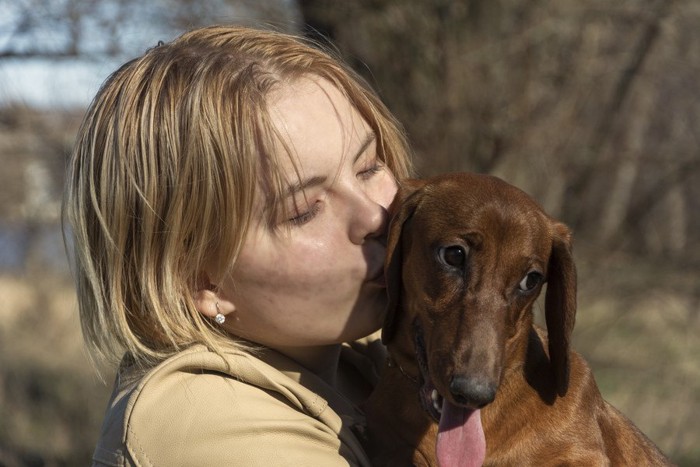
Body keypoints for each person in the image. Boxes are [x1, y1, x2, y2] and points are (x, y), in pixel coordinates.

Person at [62, 25, 413, 466]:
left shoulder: (365, 363)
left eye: (369, 166)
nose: (376, 216)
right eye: (303, 210)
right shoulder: (207, 424)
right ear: (197, 279)